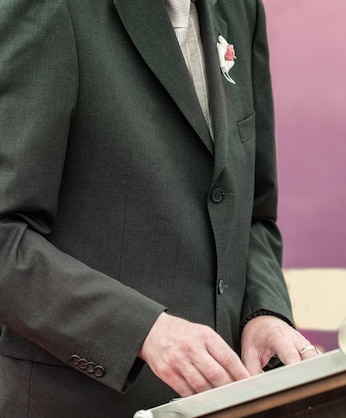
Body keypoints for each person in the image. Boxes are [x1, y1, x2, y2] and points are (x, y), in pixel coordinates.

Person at [0, 0, 318, 416]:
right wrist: (143, 331)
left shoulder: (242, 9)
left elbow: (251, 214)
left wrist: (264, 312)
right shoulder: (49, 7)